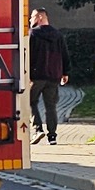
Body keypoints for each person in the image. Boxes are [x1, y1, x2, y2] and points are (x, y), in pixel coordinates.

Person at [28, 10, 70, 144]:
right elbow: (64, 54)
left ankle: (37, 129)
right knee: (51, 106)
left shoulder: (33, 34)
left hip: (37, 76)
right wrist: (65, 72)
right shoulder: (58, 35)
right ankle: (52, 137)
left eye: (32, 17)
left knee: (29, 101)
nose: (30, 20)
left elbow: (28, 55)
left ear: (40, 17)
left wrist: (26, 73)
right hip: (54, 76)